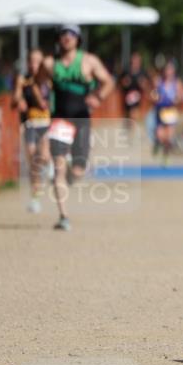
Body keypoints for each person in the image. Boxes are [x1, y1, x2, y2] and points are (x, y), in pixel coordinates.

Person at [35, 23, 115, 231]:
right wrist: (41, 99)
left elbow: (108, 82)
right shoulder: (50, 63)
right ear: (58, 38)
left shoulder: (89, 61)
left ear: (78, 38)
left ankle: (67, 180)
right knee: (59, 167)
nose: (67, 37)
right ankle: (64, 216)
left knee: (78, 170)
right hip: (59, 121)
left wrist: (98, 96)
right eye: (63, 33)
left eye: (71, 34)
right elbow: (37, 82)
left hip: (82, 120)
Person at [12, 49, 51, 213]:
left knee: (43, 157)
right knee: (32, 158)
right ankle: (35, 198)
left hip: (47, 124)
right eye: (31, 60)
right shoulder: (23, 80)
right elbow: (14, 102)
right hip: (30, 124)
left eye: (37, 60)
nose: (34, 64)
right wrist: (19, 98)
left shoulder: (49, 80)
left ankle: (49, 167)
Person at [152, 60, 183, 166]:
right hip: (160, 111)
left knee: (169, 137)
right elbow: (153, 93)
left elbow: (180, 96)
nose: (169, 72)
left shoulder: (177, 83)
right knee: (160, 136)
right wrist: (155, 97)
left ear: (174, 71)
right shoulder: (158, 81)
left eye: (171, 69)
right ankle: (157, 142)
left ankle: (166, 156)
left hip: (171, 111)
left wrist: (177, 99)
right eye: (167, 69)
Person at [119, 52, 148, 129]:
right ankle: (129, 126)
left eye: (137, 61)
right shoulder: (126, 71)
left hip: (137, 95)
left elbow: (146, 85)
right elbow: (121, 82)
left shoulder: (142, 72)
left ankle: (133, 127)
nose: (136, 62)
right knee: (127, 114)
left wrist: (142, 83)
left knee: (133, 112)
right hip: (127, 96)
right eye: (134, 60)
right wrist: (125, 82)